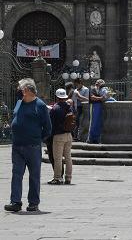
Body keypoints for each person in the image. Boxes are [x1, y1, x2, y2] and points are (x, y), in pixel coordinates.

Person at [5, 78, 52, 212]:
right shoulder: (19, 103)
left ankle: (33, 203)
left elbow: (48, 128)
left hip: (33, 147)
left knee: (34, 176)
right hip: (17, 146)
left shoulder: (40, 105)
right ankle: (15, 202)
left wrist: (37, 139)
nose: (18, 90)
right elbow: (15, 118)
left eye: (20, 88)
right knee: (16, 174)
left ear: (26, 90)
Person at [48, 88, 74, 185]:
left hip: (58, 136)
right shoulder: (69, 107)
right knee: (68, 157)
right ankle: (68, 178)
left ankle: (57, 178)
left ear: (57, 97)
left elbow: (50, 123)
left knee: (58, 158)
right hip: (69, 135)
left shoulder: (55, 108)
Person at [87, 79, 109, 144]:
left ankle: (96, 139)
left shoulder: (99, 90)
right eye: (101, 84)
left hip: (99, 106)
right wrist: (101, 98)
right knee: (93, 122)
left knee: (98, 122)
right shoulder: (92, 88)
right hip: (94, 106)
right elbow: (92, 97)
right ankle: (90, 138)